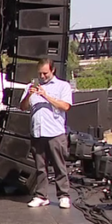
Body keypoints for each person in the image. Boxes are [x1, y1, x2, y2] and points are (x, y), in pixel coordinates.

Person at [20, 58, 73, 209]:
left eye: (45, 73)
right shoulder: (31, 86)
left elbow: (65, 106)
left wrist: (46, 96)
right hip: (38, 133)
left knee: (59, 166)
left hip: (55, 132)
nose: (42, 76)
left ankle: (63, 195)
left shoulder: (62, 86)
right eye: (40, 74)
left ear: (52, 70)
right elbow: (23, 107)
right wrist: (29, 95)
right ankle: (41, 195)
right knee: (40, 168)